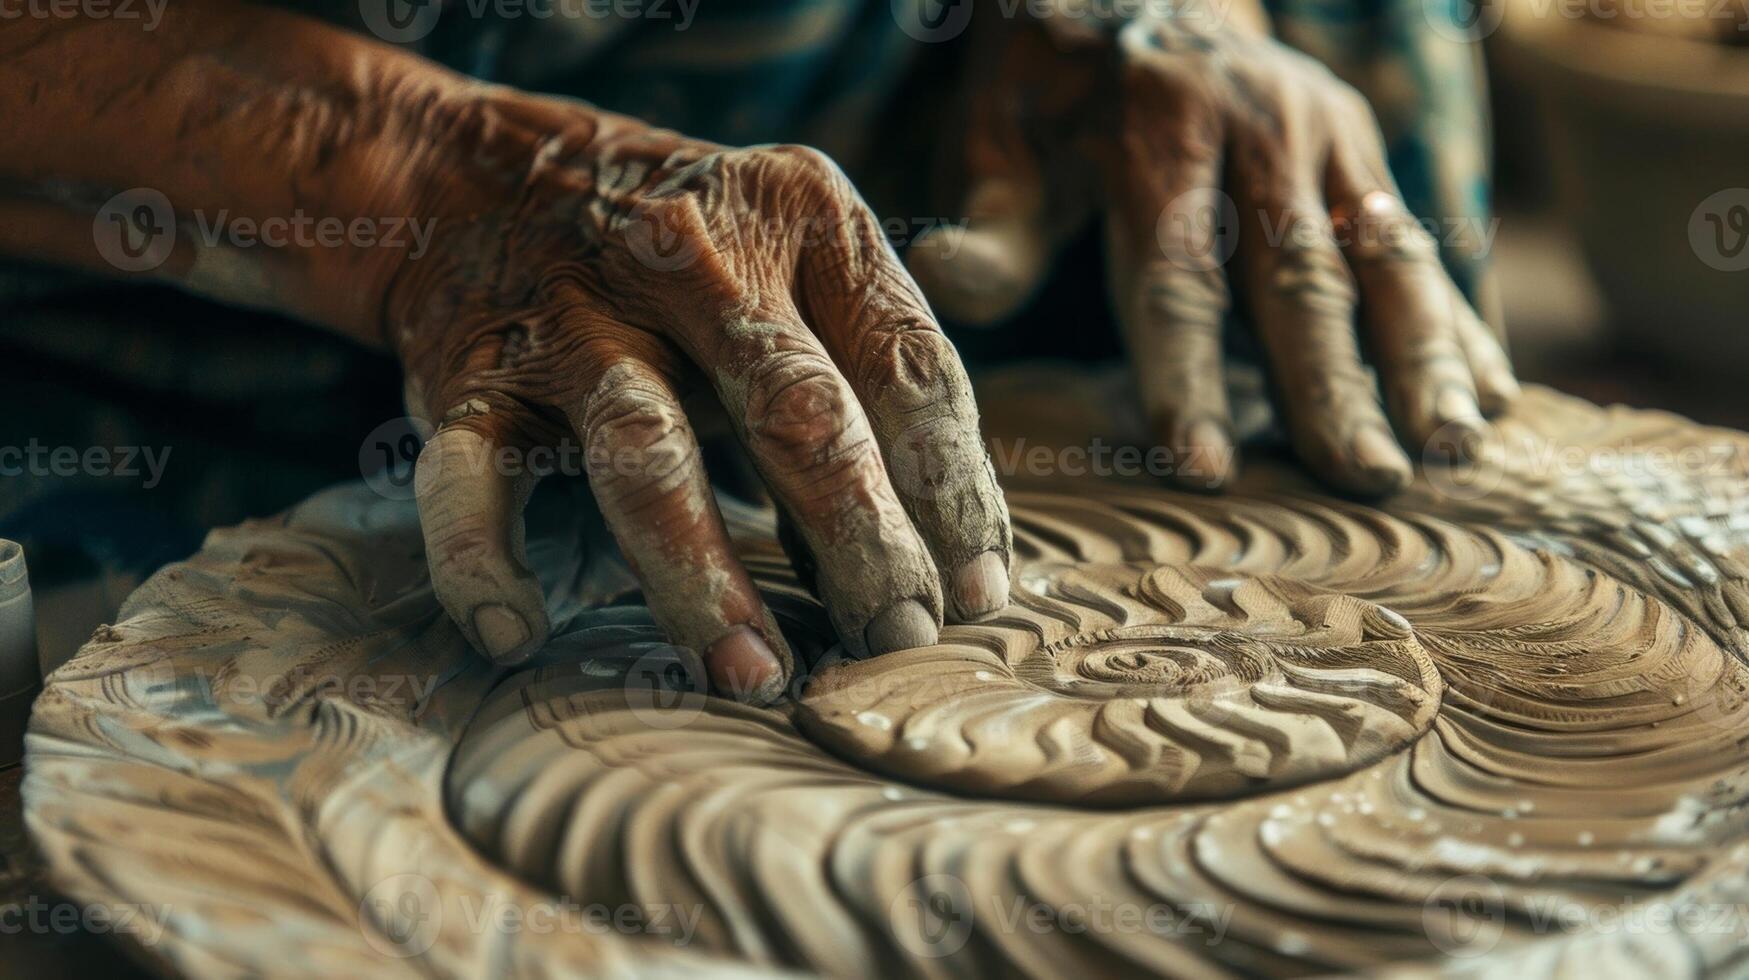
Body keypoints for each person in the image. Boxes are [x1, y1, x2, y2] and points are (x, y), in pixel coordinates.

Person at [0, 0, 1517, 704]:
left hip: (860, 81)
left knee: (1279, 141)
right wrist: (435, 175)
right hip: (179, 162)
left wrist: (1143, 17)